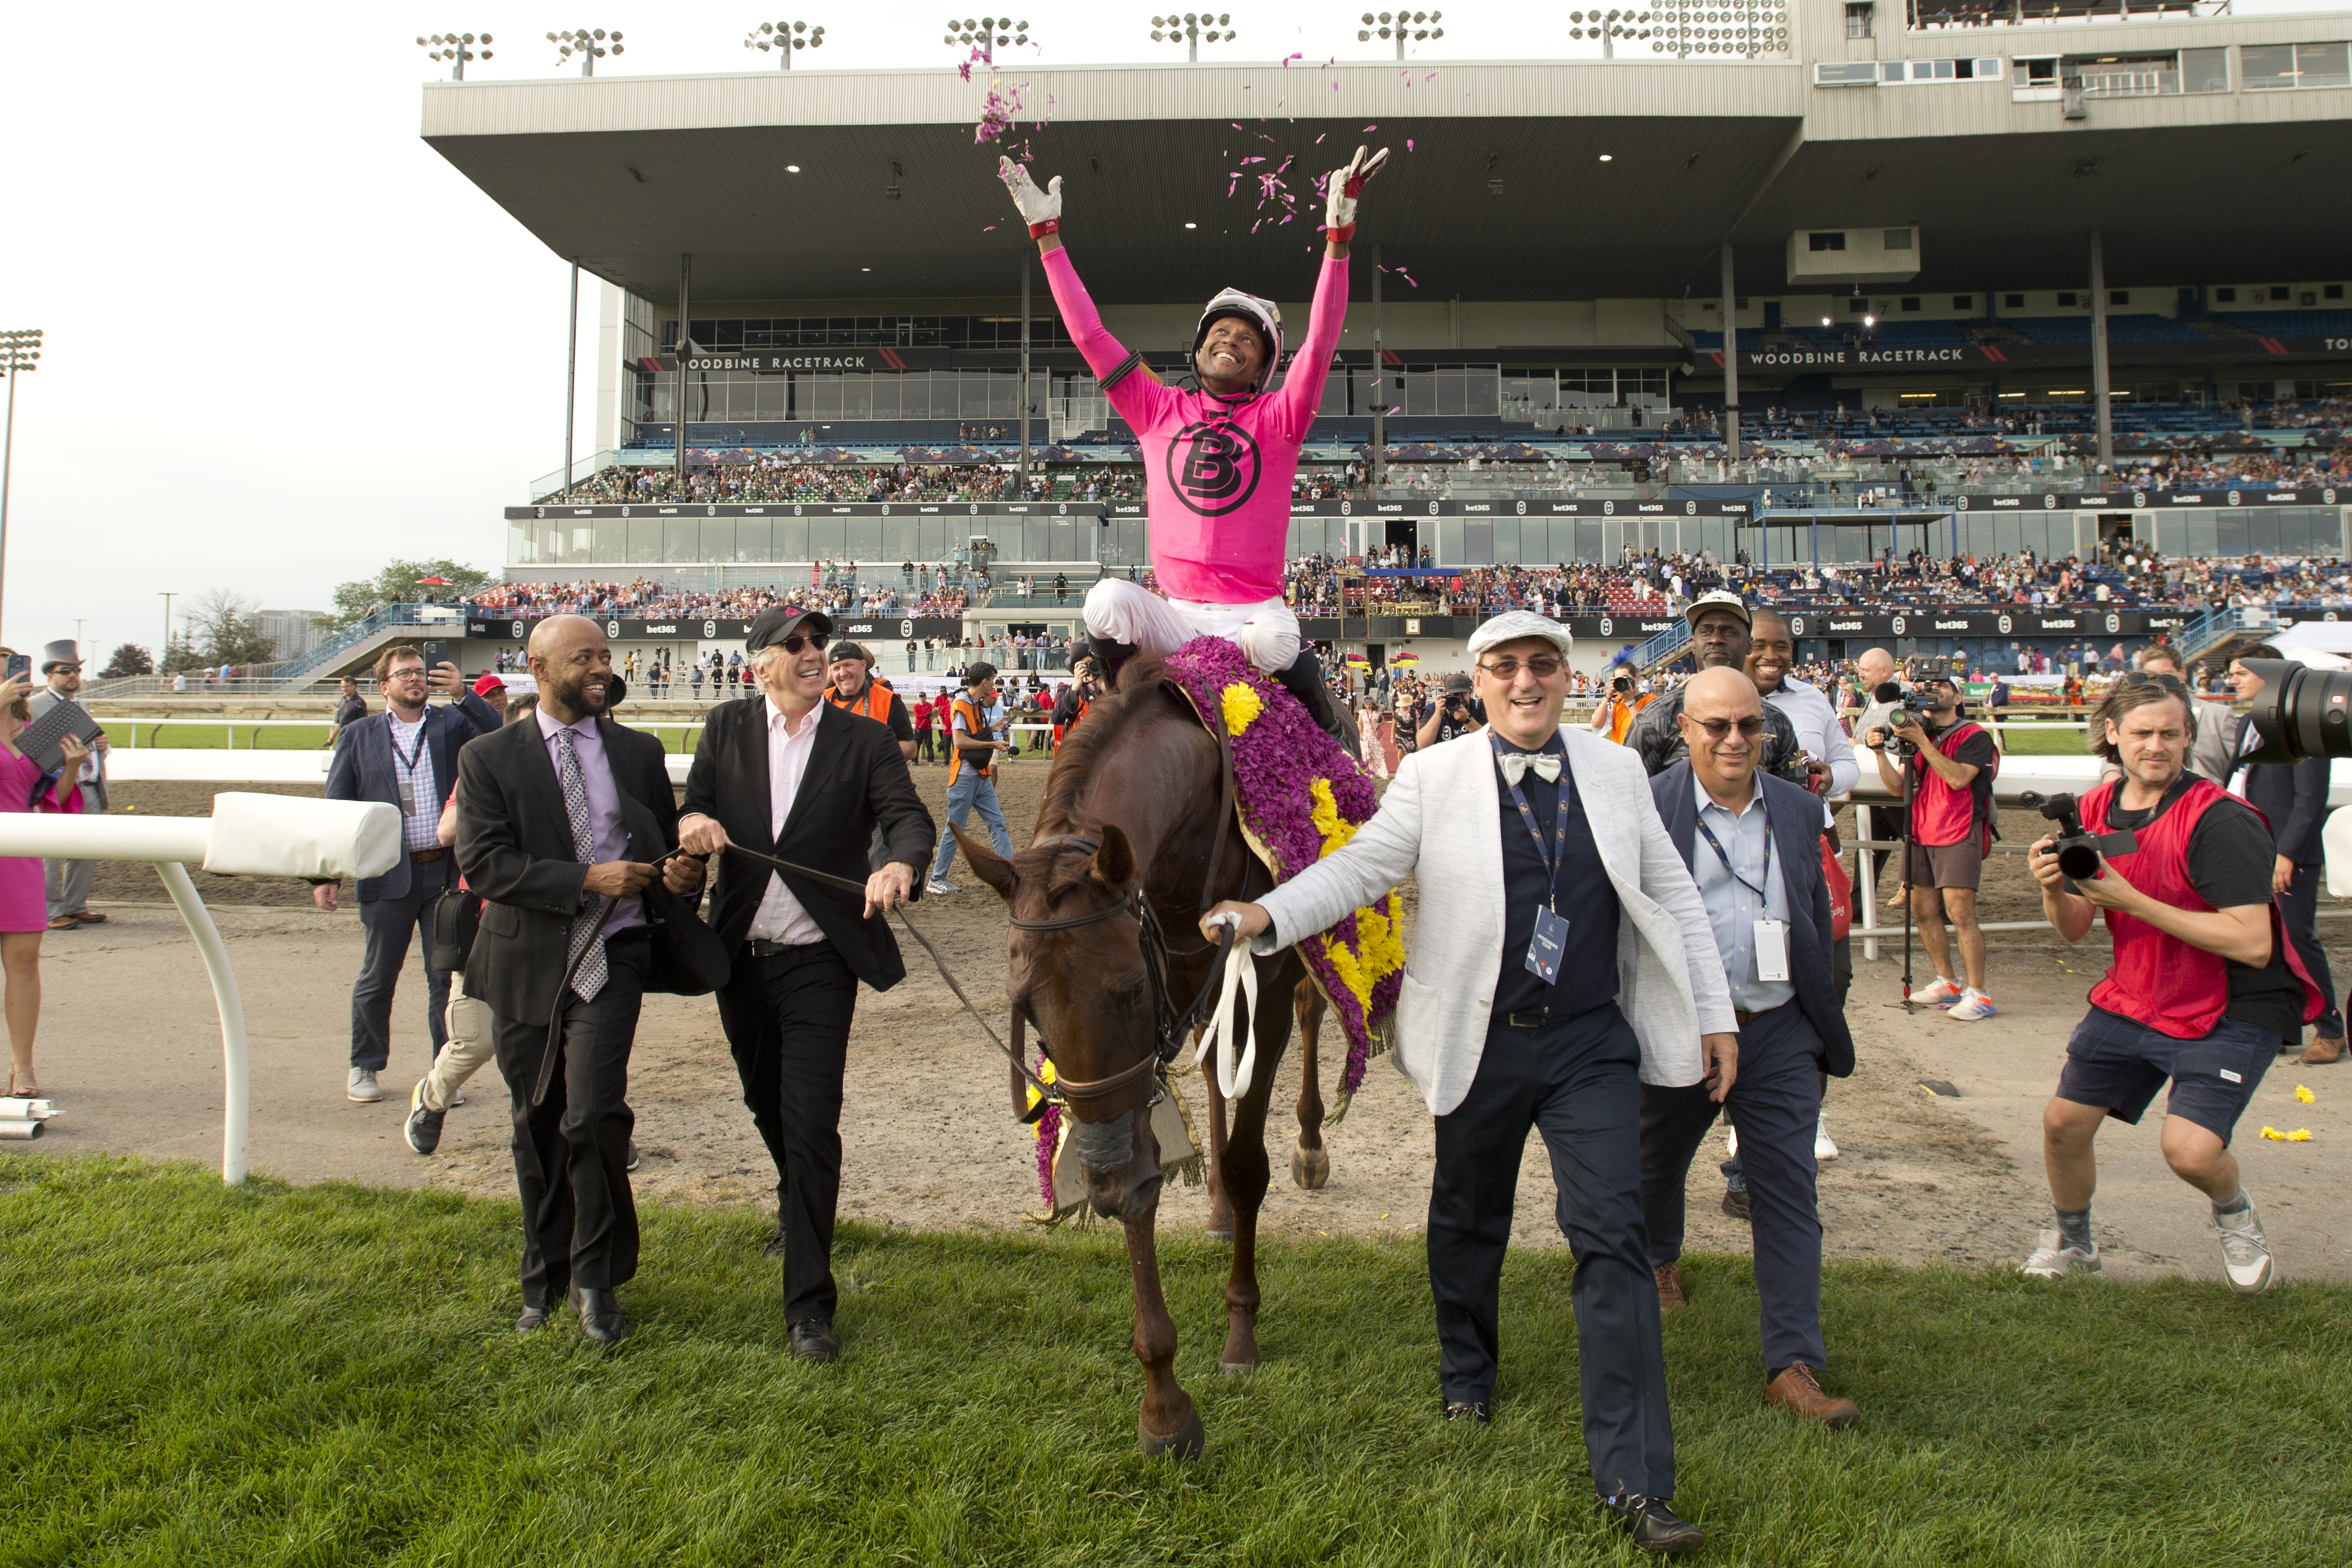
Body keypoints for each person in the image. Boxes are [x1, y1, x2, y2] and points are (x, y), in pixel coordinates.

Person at [1200, 610, 1735, 1554]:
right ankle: (1467, 1375)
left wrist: (1714, 1011)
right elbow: (1363, 867)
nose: (1524, 682)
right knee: (1467, 1220)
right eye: (1504, 669)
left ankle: (1637, 1481)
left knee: (1613, 1235)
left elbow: (1673, 891)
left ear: (1567, 679)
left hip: (1589, 1046)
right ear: (1477, 683)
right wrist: (1267, 914)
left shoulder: (1615, 770)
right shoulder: (1435, 775)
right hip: (1480, 1043)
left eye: (1541, 666)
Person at [999, 146, 1388, 742]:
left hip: (1253, 617)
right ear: (1199, 349)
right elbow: (1089, 334)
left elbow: (1321, 341)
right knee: (1103, 602)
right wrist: (1048, 238)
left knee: (1277, 639)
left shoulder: (1282, 415)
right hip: (1174, 614)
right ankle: (1122, 708)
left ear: (1263, 370)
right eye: (1220, 332)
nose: (1230, 342)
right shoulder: (1157, 407)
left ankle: (1326, 733)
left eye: (1247, 340)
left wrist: (1338, 242)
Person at [674, 607, 934, 1362]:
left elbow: (908, 819)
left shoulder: (865, 738)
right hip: (739, 955)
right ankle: (798, 1197)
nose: (815, 654)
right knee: (767, 1102)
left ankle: (809, 1310)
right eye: (796, 646)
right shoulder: (724, 728)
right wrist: (693, 825)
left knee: (812, 1117)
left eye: (818, 644)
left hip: (823, 958)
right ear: (759, 664)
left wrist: (899, 864)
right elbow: (696, 808)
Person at [2021, 673, 2320, 1294]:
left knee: (2190, 1152)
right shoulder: (2095, 811)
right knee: (2062, 1125)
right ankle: (2075, 1244)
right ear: (2112, 734)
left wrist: (2133, 899)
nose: (2156, 746)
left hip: (2236, 999)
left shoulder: (2222, 821)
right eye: (2141, 733)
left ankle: (2235, 1212)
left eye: (2170, 734)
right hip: (2141, 989)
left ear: (2189, 737)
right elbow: (2077, 928)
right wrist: (2054, 888)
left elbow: (2253, 941)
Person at [453, 615, 706, 1345]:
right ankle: (545, 1278)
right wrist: (585, 878)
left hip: (614, 952)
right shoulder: (488, 757)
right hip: (525, 960)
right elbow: (487, 863)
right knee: (536, 1125)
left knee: (591, 1117)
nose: (601, 668)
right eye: (583, 658)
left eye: (605, 655)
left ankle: (597, 1280)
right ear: (537, 666)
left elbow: (663, 854)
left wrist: (683, 873)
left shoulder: (636, 750)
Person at [1640, 668, 1859, 1427]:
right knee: (1655, 1165)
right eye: (1716, 727)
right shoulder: (1650, 806)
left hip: (1779, 1027)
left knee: (1788, 1188)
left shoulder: (1799, 810)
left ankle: (1793, 1364)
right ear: (1685, 732)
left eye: (1748, 726)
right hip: (1683, 1028)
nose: (1735, 740)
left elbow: (1816, 907)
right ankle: (1660, 1257)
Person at [318, 645, 501, 1104]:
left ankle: (444, 1074)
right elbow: (337, 807)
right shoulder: (359, 735)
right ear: (384, 687)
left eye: (419, 673)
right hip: (387, 874)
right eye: (403, 674)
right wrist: (325, 874)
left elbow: (499, 734)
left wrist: (463, 694)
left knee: (445, 978)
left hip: (444, 876)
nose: (414, 679)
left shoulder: (451, 724)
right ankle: (365, 1065)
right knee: (379, 975)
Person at [404, 690, 539, 1157]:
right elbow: (445, 832)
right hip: (485, 926)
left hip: (551, 926)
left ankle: (596, 1128)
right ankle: (432, 1099)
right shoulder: (482, 772)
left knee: (570, 1040)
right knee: (476, 1040)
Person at [2223, 647, 2344, 1065]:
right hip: (2248, 850)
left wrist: (2287, 854)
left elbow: (2311, 799)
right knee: (2259, 942)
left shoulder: (2304, 721)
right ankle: (2278, 1027)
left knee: (2296, 940)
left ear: (2270, 676)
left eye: (2240, 673)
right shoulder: (2247, 723)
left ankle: (2331, 1030)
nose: (2232, 680)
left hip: (2284, 856)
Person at [1865, 672, 1998, 1021]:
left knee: (1960, 914)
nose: (1931, 692)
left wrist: (1922, 740)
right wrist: (1880, 752)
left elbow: (1957, 778)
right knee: (1923, 911)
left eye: (1941, 687)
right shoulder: (1918, 736)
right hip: (1921, 831)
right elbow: (1898, 789)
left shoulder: (1973, 735)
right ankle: (1947, 981)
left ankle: (1979, 993)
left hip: (1958, 828)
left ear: (1958, 698)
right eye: (1925, 688)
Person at [0, 674, 89, 1099]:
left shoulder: (35, 734)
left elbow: (53, 803)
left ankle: (23, 1067)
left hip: (19, 859)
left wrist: (71, 765)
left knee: (24, 961)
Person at [1627, 593, 1809, 787]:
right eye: (1706, 631)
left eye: (1729, 632)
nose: (1716, 640)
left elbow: (1791, 803)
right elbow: (1628, 800)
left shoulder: (1776, 721)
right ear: (1694, 645)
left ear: (1749, 644)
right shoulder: (1656, 719)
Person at [28, 643, 108, 932]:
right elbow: (30, 749)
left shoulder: (80, 705)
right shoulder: (34, 705)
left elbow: (88, 743)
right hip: (56, 788)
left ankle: (76, 906)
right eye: (66, 671)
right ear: (50, 675)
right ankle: (52, 910)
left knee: (88, 849)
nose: (73, 675)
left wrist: (102, 744)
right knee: (51, 851)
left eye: (77, 670)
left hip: (89, 786)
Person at [926, 663, 1015, 896]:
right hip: (965, 779)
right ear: (984, 681)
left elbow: (973, 735)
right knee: (955, 830)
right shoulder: (962, 705)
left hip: (981, 777)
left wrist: (993, 728)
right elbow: (960, 743)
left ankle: (1010, 873)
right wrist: (993, 743)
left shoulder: (974, 704)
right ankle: (937, 879)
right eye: (993, 680)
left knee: (998, 824)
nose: (995, 684)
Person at [2136, 643, 2236, 783]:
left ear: (2183, 672)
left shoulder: (2218, 716)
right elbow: (2115, 756)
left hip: (2208, 800)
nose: (2160, 683)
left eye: (2167, 675)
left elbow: (2242, 767)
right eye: (2152, 677)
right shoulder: (2135, 716)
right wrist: (2111, 773)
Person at [823, 642, 915, 762]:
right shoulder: (822, 699)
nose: (843, 673)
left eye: (848, 665)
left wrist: (870, 755)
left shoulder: (888, 700)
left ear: (863, 665)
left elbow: (911, 748)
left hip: (873, 778)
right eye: (836, 668)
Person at [1415, 671, 1484, 749]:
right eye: (1455, 695)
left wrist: (1467, 720)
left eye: (1463, 694)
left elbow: (1489, 740)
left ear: (1470, 693)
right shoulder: (1433, 709)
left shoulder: (1478, 708)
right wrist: (1438, 714)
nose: (1460, 699)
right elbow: (1422, 744)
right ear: (1446, 694)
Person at [1589, 664, 1652, 745]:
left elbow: (1643, 730)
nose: (1622, 682)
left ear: (1636, 677)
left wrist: (1630, 701)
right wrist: (1607, 697)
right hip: (1620, 750)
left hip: (1639, 752)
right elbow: (1597, 724)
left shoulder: (1650, 700)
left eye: (1625, 678)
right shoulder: (1617, 701)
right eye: (1618, 680)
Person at [331, 678, 368, 743]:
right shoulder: (343, 700)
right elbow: (341, 722)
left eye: (346, 687)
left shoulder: (359, 703)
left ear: (354, 687)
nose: (344, 689)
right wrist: (332, 737)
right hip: (343, 737)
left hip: (355, 739)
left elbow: (363, 724)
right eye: (342, 687)